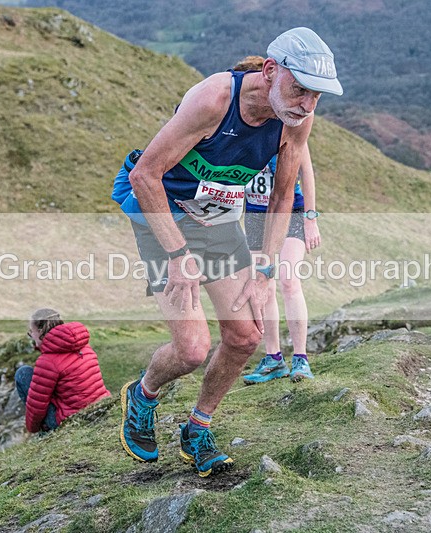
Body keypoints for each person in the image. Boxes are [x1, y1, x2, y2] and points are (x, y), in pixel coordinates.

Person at [112, 28, 342, 477]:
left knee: (246, 336)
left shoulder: (297, 119)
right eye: (300, 90)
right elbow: (145, 176)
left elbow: (281, 197)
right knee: (192, 349)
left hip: (215, 217)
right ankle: (143, 394)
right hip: (160, 210)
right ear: (270, 71)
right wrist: (179, 257)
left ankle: (197, 428)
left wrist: (265, 270)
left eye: (317, 96)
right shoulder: (215, 99)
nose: (307, 105)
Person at [231, 56, 321, 385]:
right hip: (256, 215)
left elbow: (306, 172)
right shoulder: (239, 128)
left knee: (288, 279)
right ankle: (273, 359)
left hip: (292, 211)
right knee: (262, 284)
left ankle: (301, 359)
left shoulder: (288, 124)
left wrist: (311, 218)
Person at [15, 308, 111, 433]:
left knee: (23, 373)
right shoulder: (83, 345)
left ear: (40, 331)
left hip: (74, 418)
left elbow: (36, 406)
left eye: (31, 332)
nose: (31, 336)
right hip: (100, 405)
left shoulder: (48, 361)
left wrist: (33, 429)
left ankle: (45, 432)